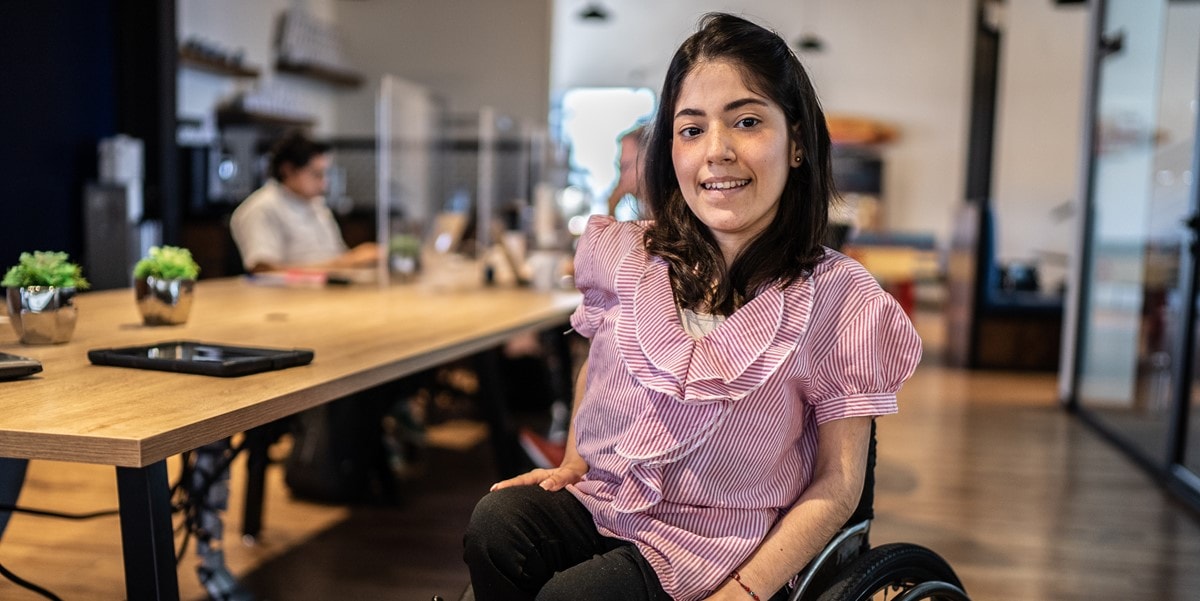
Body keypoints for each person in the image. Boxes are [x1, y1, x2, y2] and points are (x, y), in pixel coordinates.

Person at [462, 12, 922, 601]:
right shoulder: (630, 254)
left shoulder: (841, 300)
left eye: (747, 122)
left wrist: (749, 590)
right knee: (495, 526)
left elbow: (838, 484)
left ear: (798, 141)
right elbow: (599, 369)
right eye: (691, 129)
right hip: (611, 501)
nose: (717, 152)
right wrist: (575, 460)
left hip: (720, 543)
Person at [230, 130, 378, 274]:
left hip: (328, 292)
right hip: (290, 297)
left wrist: (355, 260)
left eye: (325, 174)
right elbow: (264, 271)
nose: (324, 183)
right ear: (287, 170)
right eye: (316, 174)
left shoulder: (317, 205)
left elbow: (338, 256)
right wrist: (345, 263)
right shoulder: (261, 208)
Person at [605, 124, 648, 218]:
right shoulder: (643, 210)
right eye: (620, 168)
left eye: (626, 167)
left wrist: (611, 210)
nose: (621, 177)